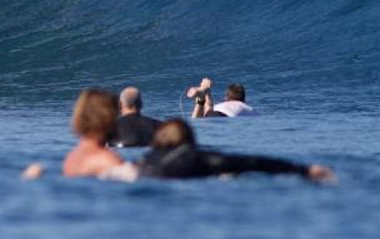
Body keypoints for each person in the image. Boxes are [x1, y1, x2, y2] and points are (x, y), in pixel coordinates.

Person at [138, 118, 335, 182]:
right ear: (190, 139)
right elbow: (253, 163)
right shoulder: (196, 157)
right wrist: (304, 170)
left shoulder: (144, 160)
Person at [187, 77, 256, 118]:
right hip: (227, 116)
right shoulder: (249, 109)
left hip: (217, 110)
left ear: (226, 98)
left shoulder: (222, 104)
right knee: (200, 120)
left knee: (208, 110)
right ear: (244, 99)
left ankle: (205, 93)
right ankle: (204, 94)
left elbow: (210, 107)